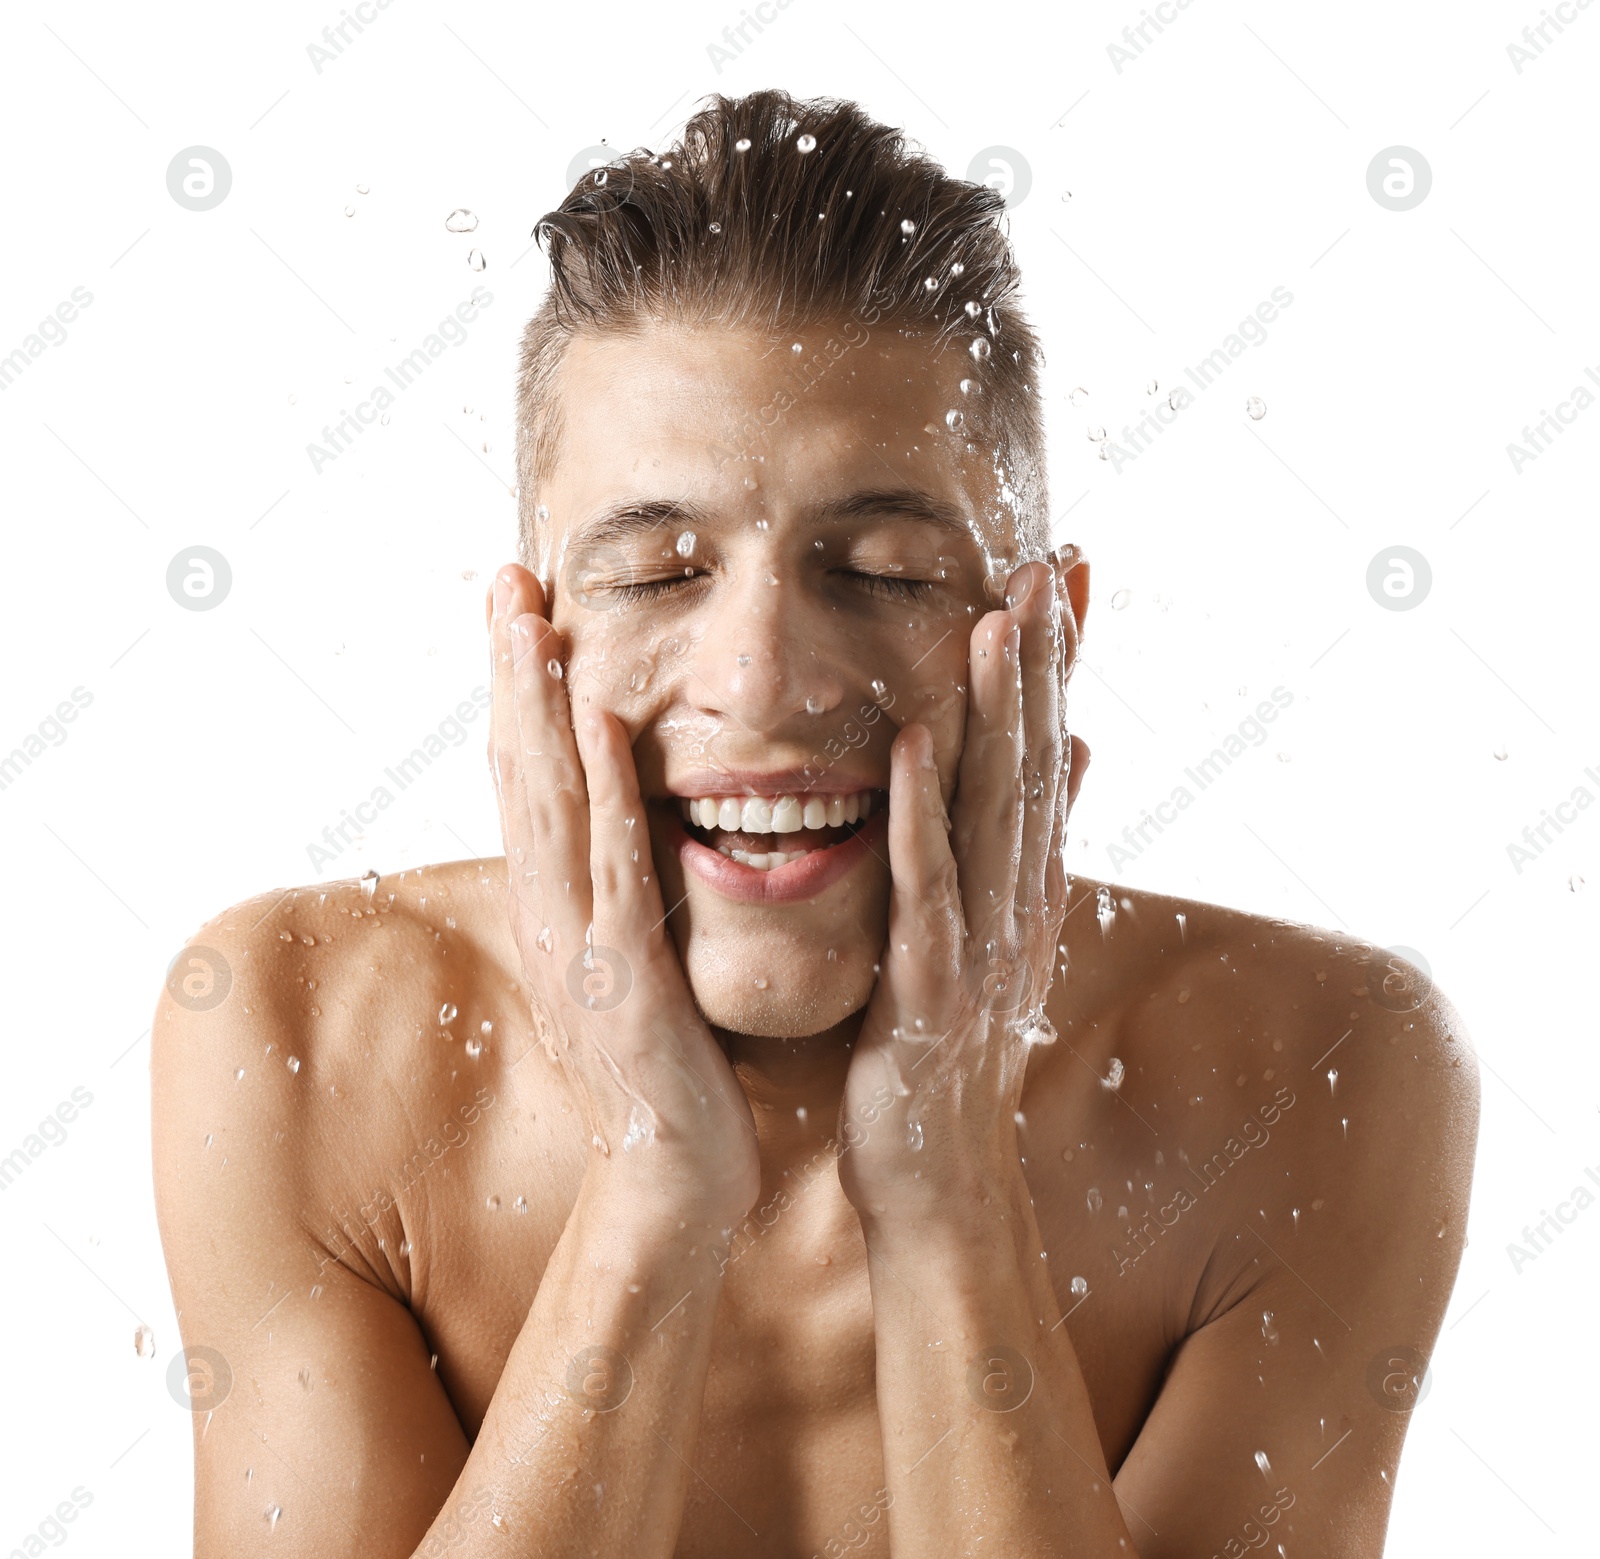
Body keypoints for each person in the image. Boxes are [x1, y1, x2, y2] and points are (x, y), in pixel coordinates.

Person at [152, 88, 1478, 1558]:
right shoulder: (305, 1033)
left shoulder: (1319, 1071)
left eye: (891, 571)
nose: (764, 682)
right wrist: (652, 1182)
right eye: (659, 573)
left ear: (1042, 636)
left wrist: (948, 1184)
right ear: (537, 646)